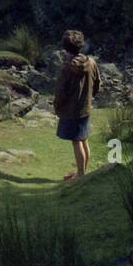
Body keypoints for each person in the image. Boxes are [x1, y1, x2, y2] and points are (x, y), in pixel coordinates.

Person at [53, 29, 100, 179]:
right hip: (85, 108)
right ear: (81, 45)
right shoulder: (91, 62)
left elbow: (61, 91)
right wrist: (89, 98)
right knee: (83, 140)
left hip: (71, 111)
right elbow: (97, 83)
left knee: (76, 142)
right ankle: (83, 173)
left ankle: (80, 175)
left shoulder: (66, 68)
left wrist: (57, 106)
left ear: (65, 48)